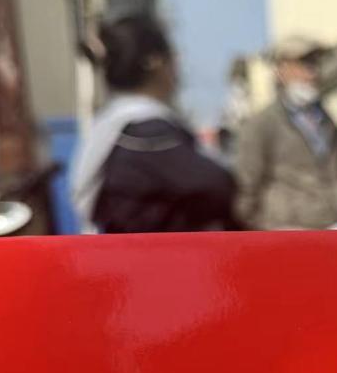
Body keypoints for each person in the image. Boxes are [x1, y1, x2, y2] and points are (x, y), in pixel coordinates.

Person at [68, 14, 236, 234]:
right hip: (151, 252)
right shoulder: (146, 131)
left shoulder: (113, 125)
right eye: (172, 56)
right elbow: (218, 185)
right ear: (155, 62)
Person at [236, 36, 337, 230]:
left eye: (315, 63)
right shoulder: (262, 124)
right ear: (281, 69)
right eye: (304, 63)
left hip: (334, 227)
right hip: (286, 232)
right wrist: (267, 230)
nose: (313, 72)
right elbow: (246, 190)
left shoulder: (327, 120)